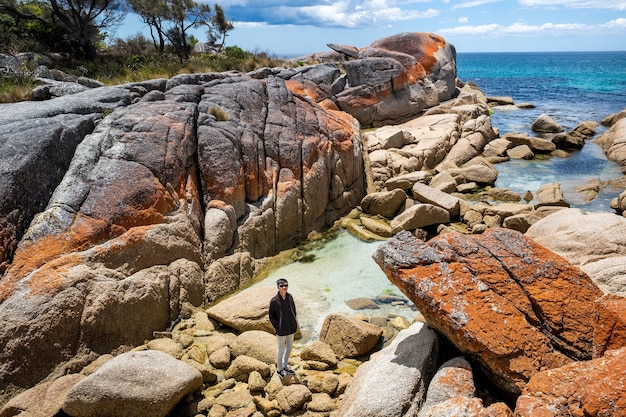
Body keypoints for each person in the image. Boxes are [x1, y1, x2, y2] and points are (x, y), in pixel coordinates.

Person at [268, 278, 298, 377]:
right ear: (278, 287)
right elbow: (271, 316)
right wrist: (278, 327)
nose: (284, 287)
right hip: (281, 331)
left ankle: (285, 366)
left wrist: (294, 321)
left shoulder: (290, 297)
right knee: (281, 350)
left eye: (286, 285)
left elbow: (294, 310)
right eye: (282, 286)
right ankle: (279, 369)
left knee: (289, 349)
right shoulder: (274, 301)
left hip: (291, 328)